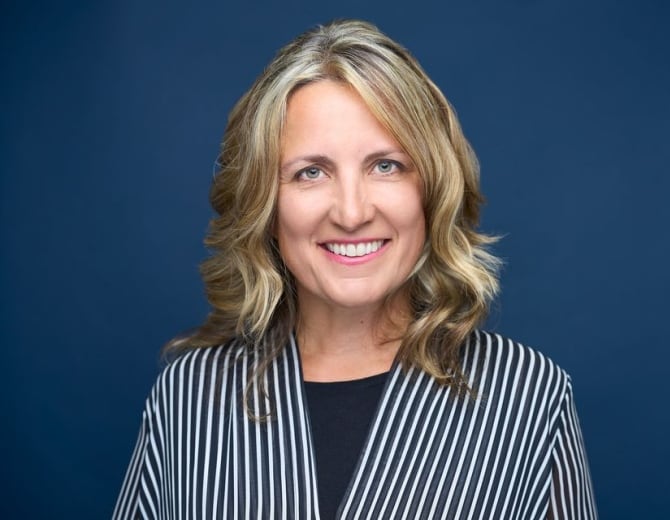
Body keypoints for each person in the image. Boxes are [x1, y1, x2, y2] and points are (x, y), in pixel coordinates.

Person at [113, 19, 597, 520]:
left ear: (433, 188)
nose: (350, 212)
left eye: (385, 165)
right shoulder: (191, 397)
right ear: (264, 203)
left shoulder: (528, 397)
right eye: (311, 172)